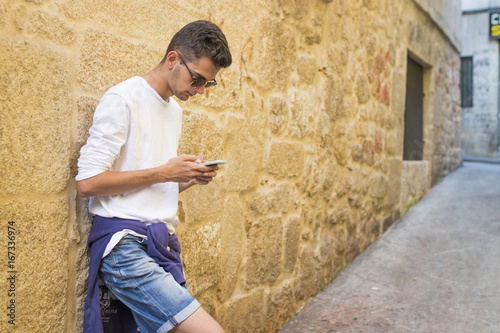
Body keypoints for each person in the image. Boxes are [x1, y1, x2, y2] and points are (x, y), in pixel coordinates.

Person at [76, 20, 232, 333]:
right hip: (123, 248)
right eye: (198, 79)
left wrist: (185, 179)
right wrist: (165, 171)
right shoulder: (123, 99)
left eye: (208, 84)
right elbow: (88, 182)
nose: (200, 90)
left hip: (160, 246)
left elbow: (150, 185)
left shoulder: (173, 111)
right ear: (173, 59)